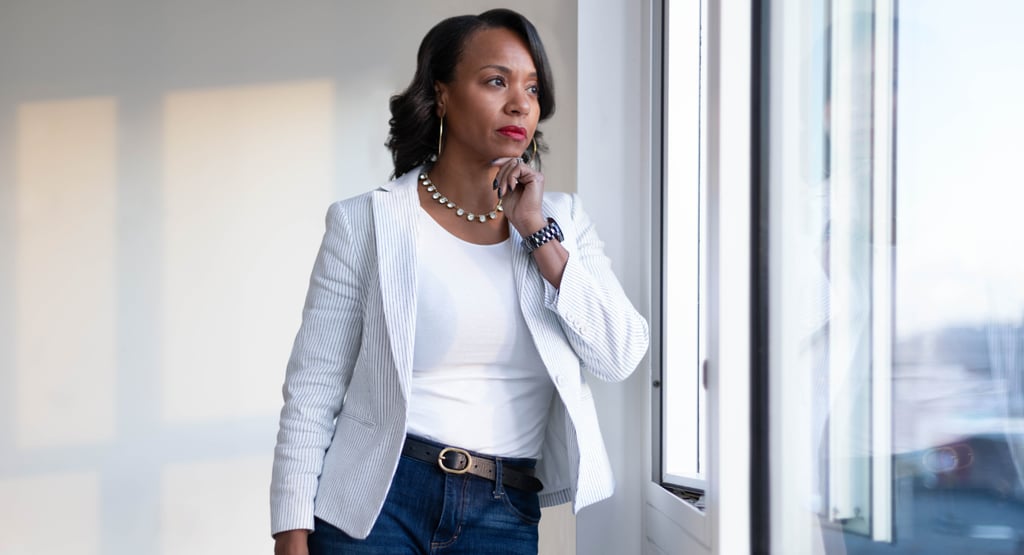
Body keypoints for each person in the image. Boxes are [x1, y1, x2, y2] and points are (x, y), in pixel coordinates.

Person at [270, 8, 649, 554]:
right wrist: (290, 530)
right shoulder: (367, 222)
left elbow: (620, 354)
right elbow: (313, 388)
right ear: (442, 94)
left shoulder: (561, 220)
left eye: (533, 87)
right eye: (496, 81)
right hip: (378, 505)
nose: (520, 102)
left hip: (503, 508)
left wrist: (538, 234)